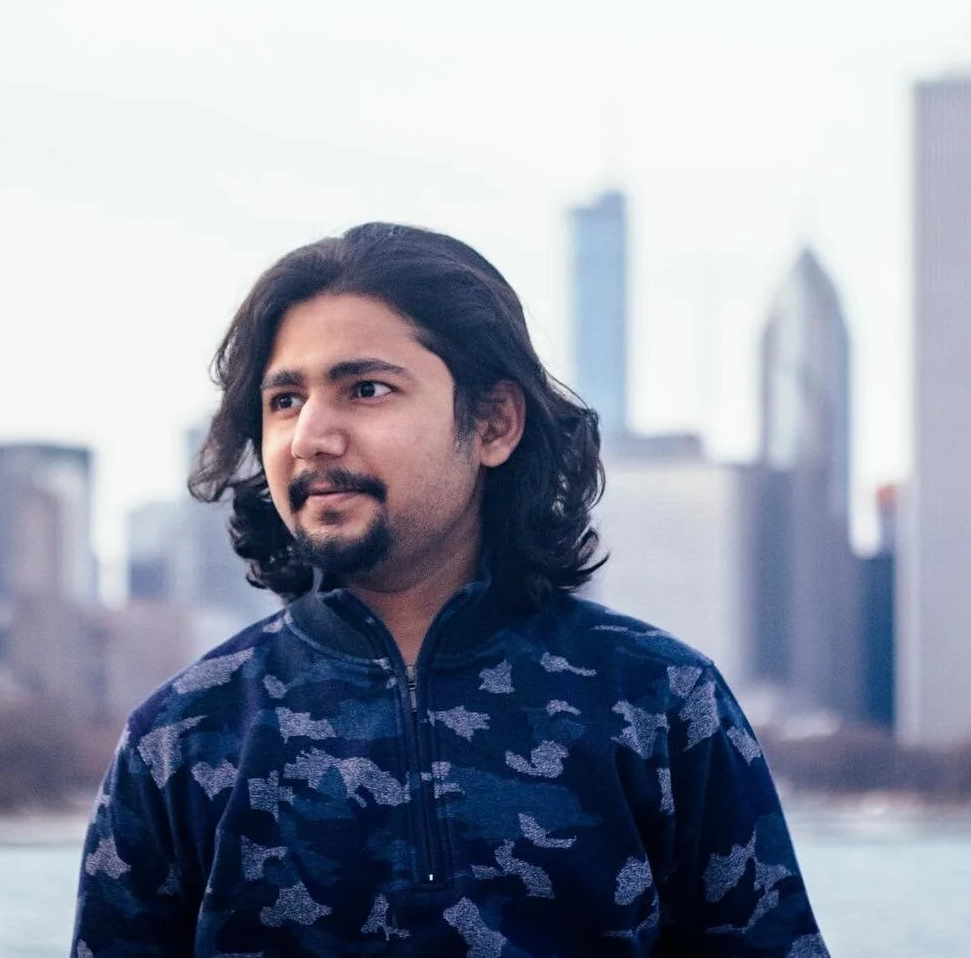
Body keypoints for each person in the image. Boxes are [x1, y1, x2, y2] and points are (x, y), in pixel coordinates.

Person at [71, 223, 828, 956]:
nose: (310, 436)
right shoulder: (179, 738)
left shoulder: (660, 702)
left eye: (365, 389)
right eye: (285, 401)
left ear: (494, 423)